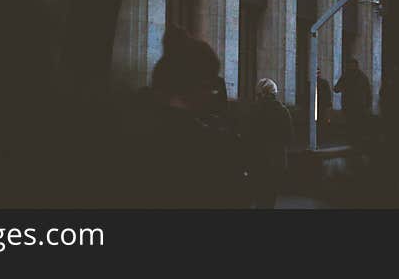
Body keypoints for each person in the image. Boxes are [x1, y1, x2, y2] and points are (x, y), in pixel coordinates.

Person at [119, 26, 250, 208]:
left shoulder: (129, 130)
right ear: (197, 86)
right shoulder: (210, 146)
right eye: (210, 87)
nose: (212, 94)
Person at [243, 78, 293, 209]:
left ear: (260, 94)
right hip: (276, 161)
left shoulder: (253, 110)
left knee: (258, 196)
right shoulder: (283, 111)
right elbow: (289, 137)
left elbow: (246, 135)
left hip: (257, 160)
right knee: (270, 198)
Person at [334, 58, 372, 148]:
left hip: (357, 106)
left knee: (354, 125)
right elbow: (336, 88)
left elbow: (368, 92)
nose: (350, 67)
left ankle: (354, 143)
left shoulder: (357, 77)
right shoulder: (348, 76)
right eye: (349, 65)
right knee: (353, 125)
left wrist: (368, 105)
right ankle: (354, 143)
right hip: (352, 105)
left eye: (351, 65)